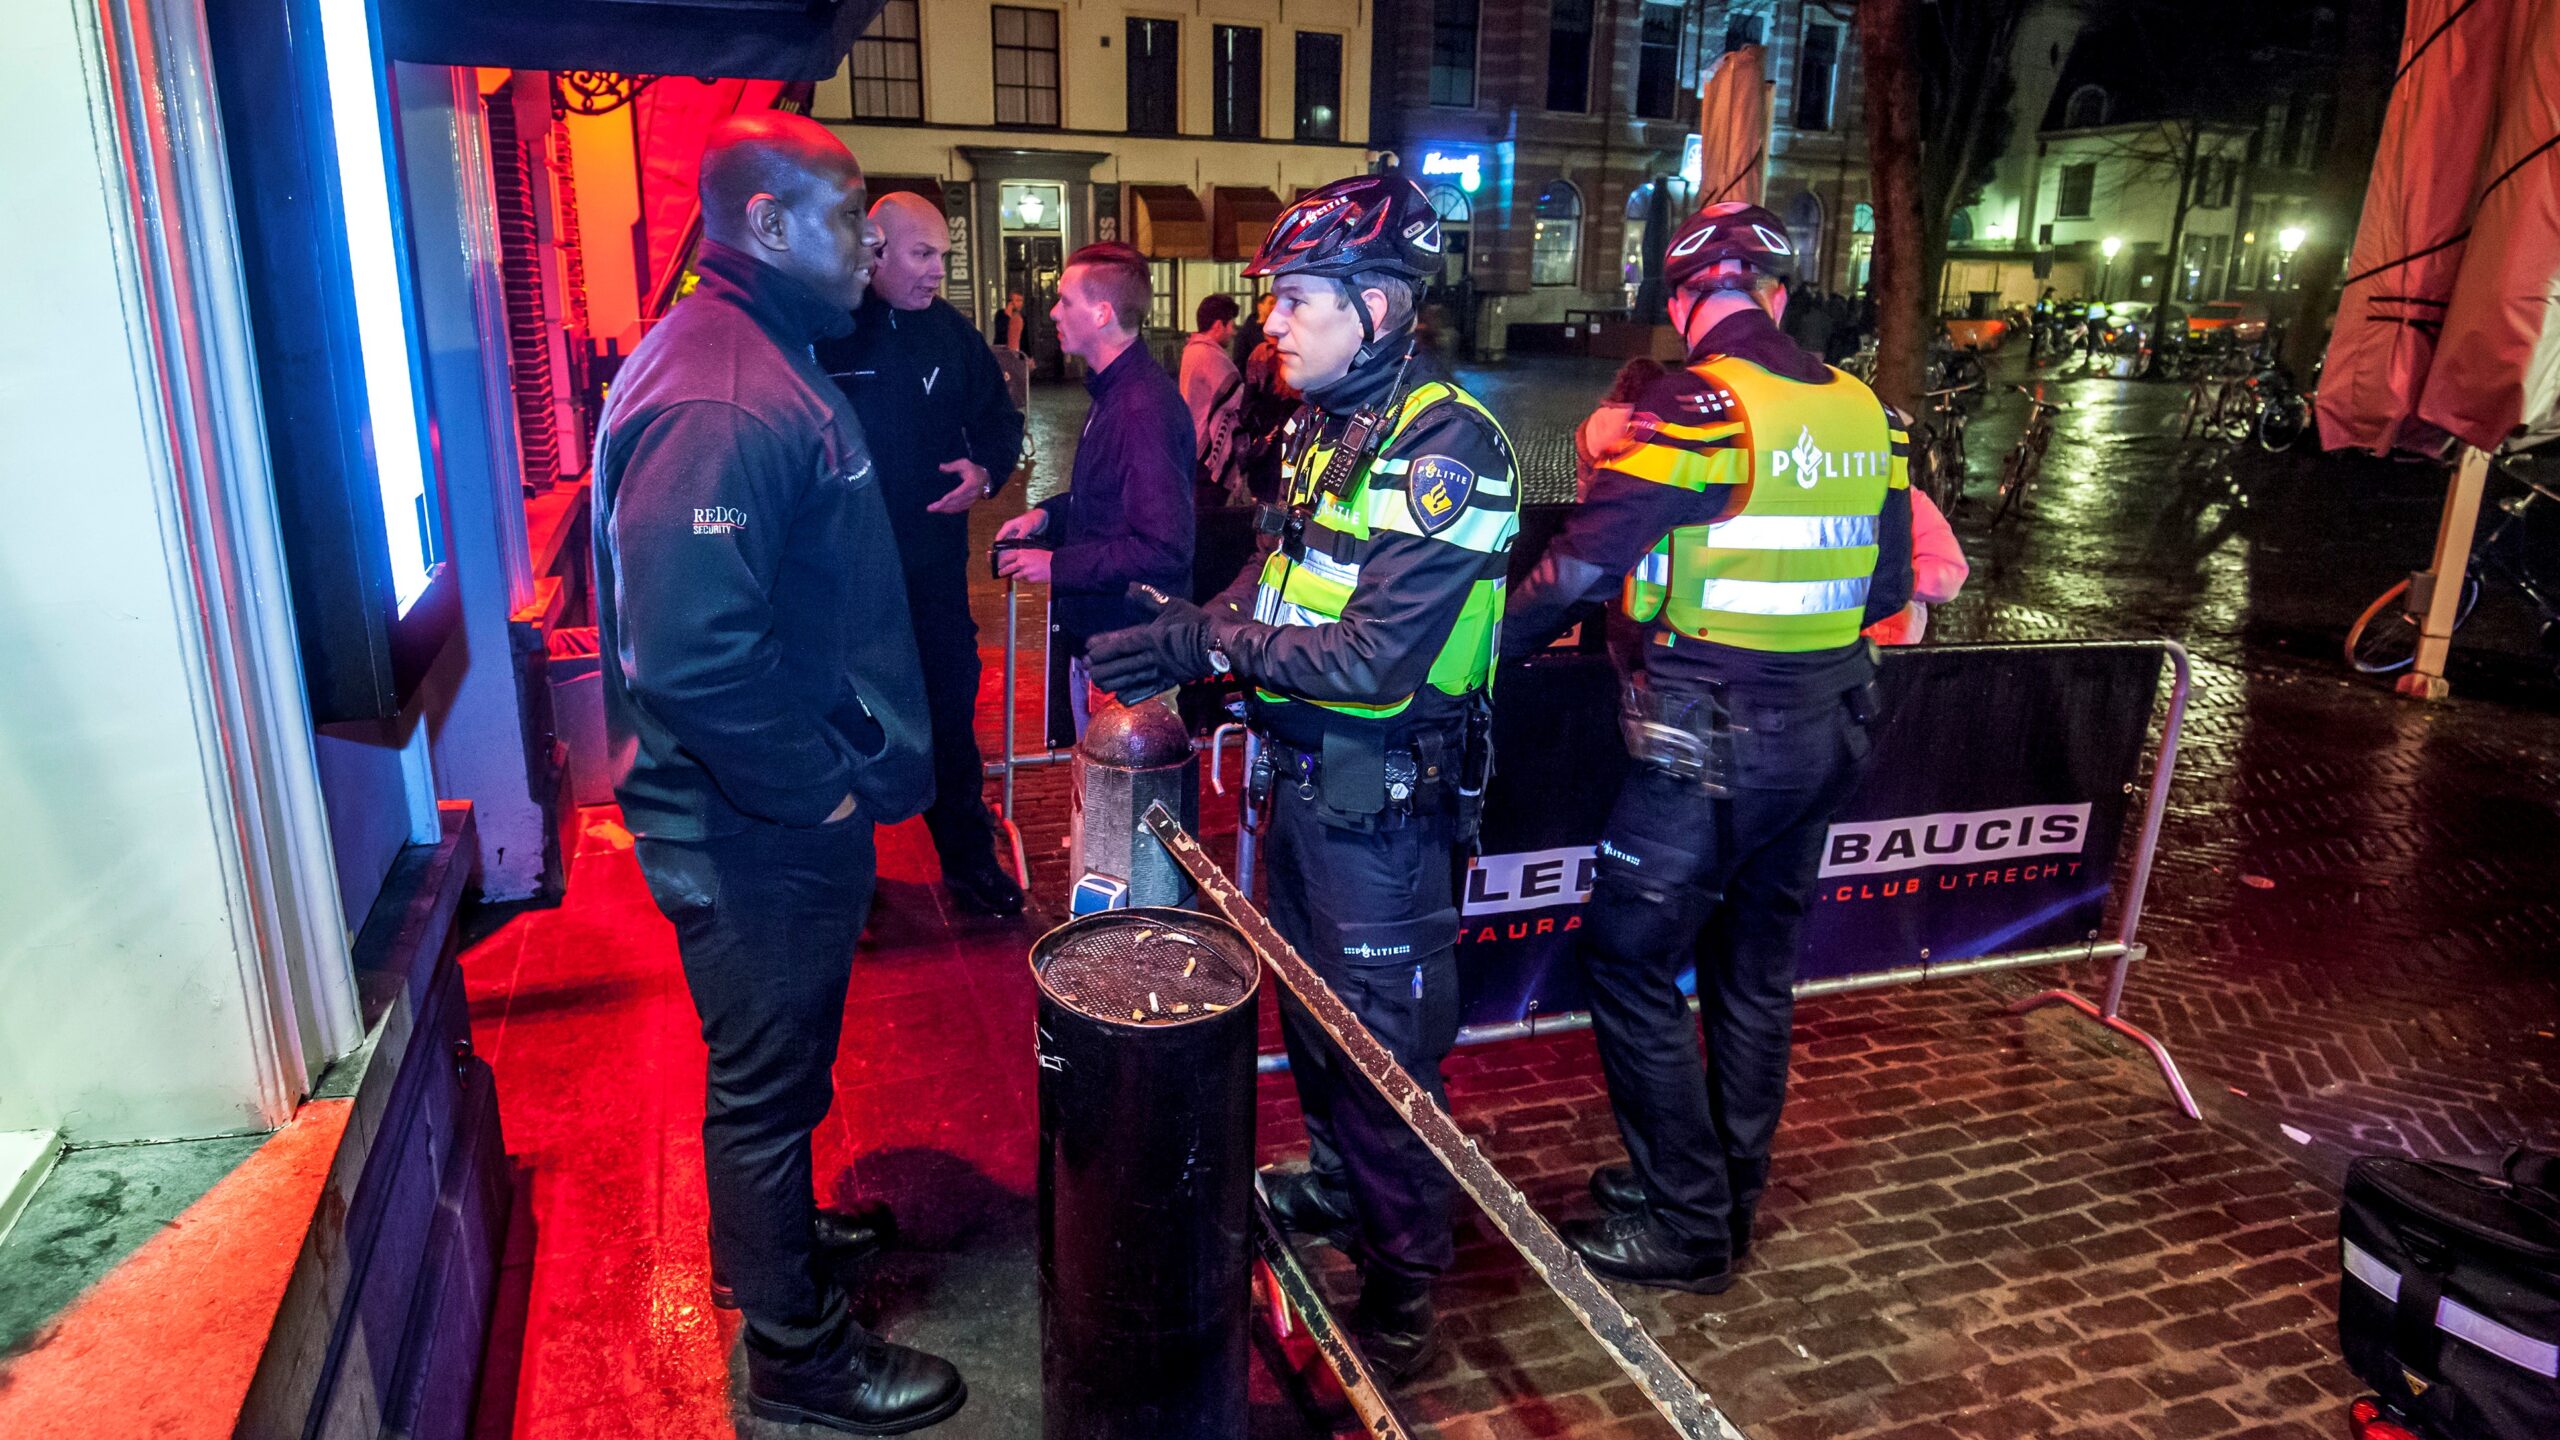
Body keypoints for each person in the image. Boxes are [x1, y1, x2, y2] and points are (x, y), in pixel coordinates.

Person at [1084, 175, 1519, 1382]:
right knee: (1315, 1022)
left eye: (1300, 301)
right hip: (1305, 783)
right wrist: (1194, 625)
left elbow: (1377, 657)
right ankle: (1338, 1186)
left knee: (1384, 1054)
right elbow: (1274, 592)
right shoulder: (1332, 425)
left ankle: (1403, 1286)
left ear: (1379, 309)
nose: (1271, 323)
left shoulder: (1447, 446)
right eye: (1276, 301)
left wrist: (1210, 646)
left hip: (1383, 800)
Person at [591, 112, 965, 1432]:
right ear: (763, 225)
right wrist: (812, 790)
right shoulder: (725, 391)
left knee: (786, 1061)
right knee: (762, 1079)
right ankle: (799, 1355)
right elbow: (694, 652)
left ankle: (789, 1242)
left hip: (774, 804)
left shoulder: (762, 355)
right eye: (848, 215)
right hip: (750, 818)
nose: (869, 244)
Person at [1502, 200, 1913, 1295]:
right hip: (1830, 728)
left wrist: (1466, 656)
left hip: (1712, 739)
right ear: (1780, 295)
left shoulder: (1701, 405)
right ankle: (1723, 1187)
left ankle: (1686, 1223)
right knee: (1752, 970)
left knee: (1628, 963)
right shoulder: (1870, 409)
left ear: (1682, 301)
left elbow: (1579, 571)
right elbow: (1887, 587)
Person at [816, 192, 1028, 918]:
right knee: (849, 726)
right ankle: (853, 880)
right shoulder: (830, 332)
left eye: (944, 255)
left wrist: (986, 473)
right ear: (876, 249)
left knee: (949, 718)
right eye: (923, 253)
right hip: (847, 584)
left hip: (935, 576)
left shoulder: (953, 336)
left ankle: (969, 864)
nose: (939, 270)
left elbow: (1001, 423)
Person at [992, 242, 1194, 735]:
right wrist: (1047, 516)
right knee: (1105, 800)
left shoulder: (1139, 407)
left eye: (1065, 300)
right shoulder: (1114, 391)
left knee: (1130, 805)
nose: (1055, 312)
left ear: (1102, 313)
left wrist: (1057, 563)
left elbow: (1165, 547)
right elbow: (1107, 502)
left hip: (1131, 656)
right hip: (1111, 647)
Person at [1865, 486, 1967, 645]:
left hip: (1884, 647)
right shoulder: (1902, 498)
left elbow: (1949, 573)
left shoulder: (1905, 500)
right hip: (1876, 646)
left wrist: (1896, 579)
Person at [1181, 294, 1247, 501]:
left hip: (1192, 446)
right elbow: (1238, 399)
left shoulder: (1191, 350)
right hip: (1208, 458)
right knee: (1211, 510)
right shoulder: (1210, 356)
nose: (1233, 332)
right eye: (1231, 325)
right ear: (1219, 325)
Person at [1232, 289, 1276, 368]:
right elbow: (1239, 361)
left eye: (1276, 304)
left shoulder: (1277, 330)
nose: (1274, 307)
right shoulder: (1246, 332)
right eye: (1271, 303)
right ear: (1260, 306)